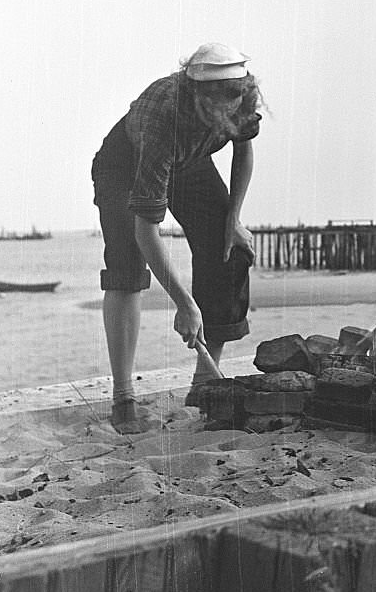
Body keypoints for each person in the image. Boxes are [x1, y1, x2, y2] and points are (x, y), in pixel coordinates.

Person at [91, 43, 263, 433]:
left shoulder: (241, 99)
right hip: (126, 164)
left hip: (189, 161)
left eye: (235, 101)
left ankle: (205, 383)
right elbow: (145, 230)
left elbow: (243, 151)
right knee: (126, 268)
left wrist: (233, 219)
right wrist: (185, 304)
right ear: (198, 98)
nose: (229, 112)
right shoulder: (163, 119)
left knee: (229, 249)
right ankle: (123, 397)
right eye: (219, 105)